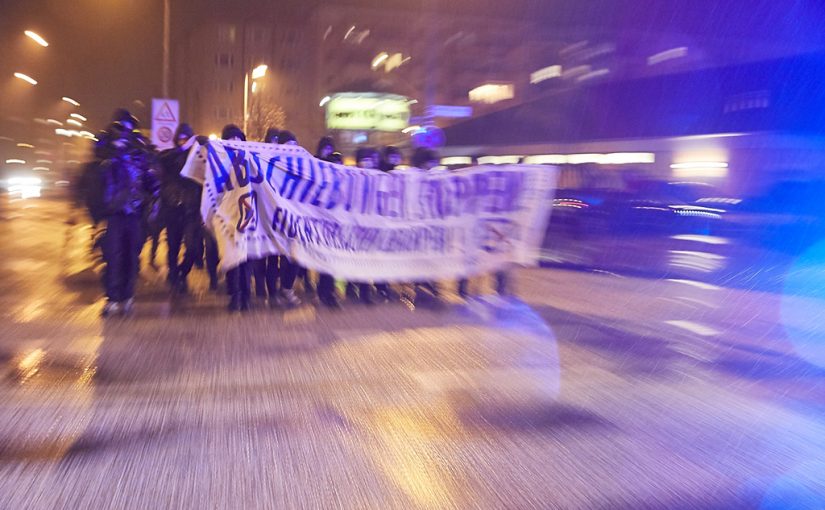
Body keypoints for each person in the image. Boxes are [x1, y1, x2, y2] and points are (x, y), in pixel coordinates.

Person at [98, 120, 160, 317]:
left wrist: (151, 205)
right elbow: (101, 179)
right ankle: (113, 299)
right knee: (113, 257)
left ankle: (127, 297)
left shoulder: (139, 157)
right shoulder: (110, 157)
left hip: (134, 215)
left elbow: (153, 183)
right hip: (115, 216)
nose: (121, 136)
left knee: (131, 257)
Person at [158, 123, 209, 294]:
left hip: (191, 210)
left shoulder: (198, 156)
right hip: (173, 209)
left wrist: (205, 145)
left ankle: (182, 271)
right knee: (173, 246)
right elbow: (163, 162)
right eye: (180, 139)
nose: (182, 142)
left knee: (193, 248)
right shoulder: (170, 158)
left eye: (186, 139)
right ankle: (174, 274)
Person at [221, 124, 254, 311]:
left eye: (237, 138)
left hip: (247, 215)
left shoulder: (251, 158)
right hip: (228, 215)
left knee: (245, 258)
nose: (234, 142)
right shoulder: (220, 160)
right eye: (230, 138)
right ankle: (234, 295)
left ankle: (246, 295)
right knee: (232, 257)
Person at [315, 136, 341, 308]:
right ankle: (322, 292)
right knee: (323, 259)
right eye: (325, 148)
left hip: (335, 221)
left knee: (332, 259)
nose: (327, 152)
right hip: (319, 220)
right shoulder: (315, 166)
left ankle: (329, 292)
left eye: (330, 148)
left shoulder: (338, 172)